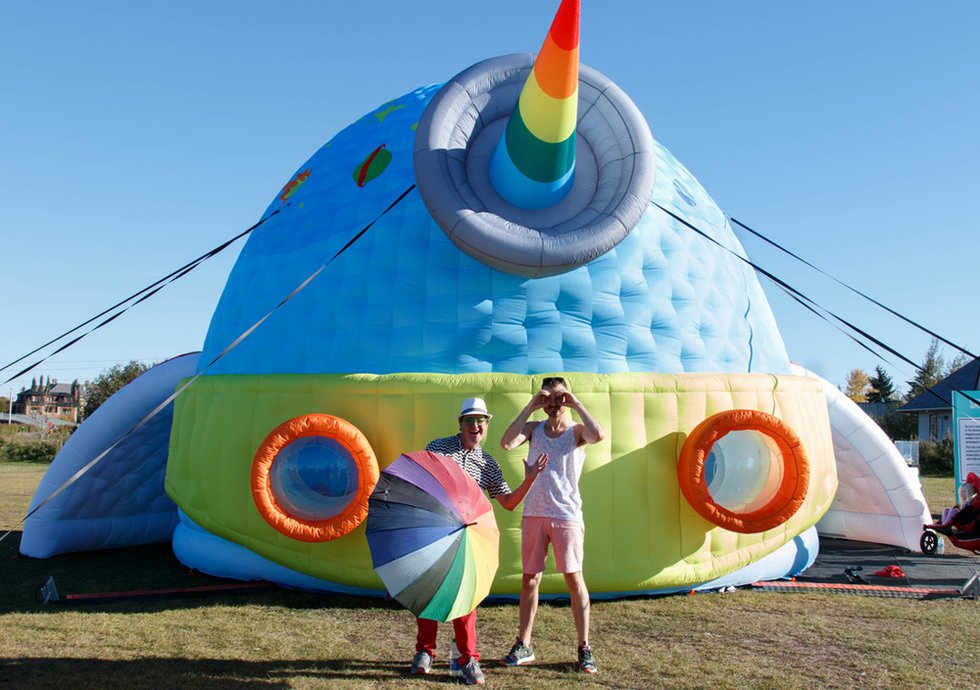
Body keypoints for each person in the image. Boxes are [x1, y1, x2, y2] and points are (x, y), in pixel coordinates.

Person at [410, 396, 548, 686]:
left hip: (466, 534)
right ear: (460, 423)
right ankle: (425, 652)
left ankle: (468, 658)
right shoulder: (438, 447)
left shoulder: (488, 464)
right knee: (429, 591)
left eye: (480, 420)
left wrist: (531, 479)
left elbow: (508, 502)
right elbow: (422, 479)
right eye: (470, 420)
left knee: (466, 595)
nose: (475, 425)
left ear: (487, 425)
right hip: (434, 528)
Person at [497, 376, 606, 674]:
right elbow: (506, 443)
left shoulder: (577, 432)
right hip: (534, 513)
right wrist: (531, 405)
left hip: (566, 515)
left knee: (573, 578)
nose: (554, 404)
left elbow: (599, 435)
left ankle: (584, 647)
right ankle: (524, 644)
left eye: (559, 397)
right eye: (548, 398)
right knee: (529, 579)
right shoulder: (534, 429)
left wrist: (576, 402)